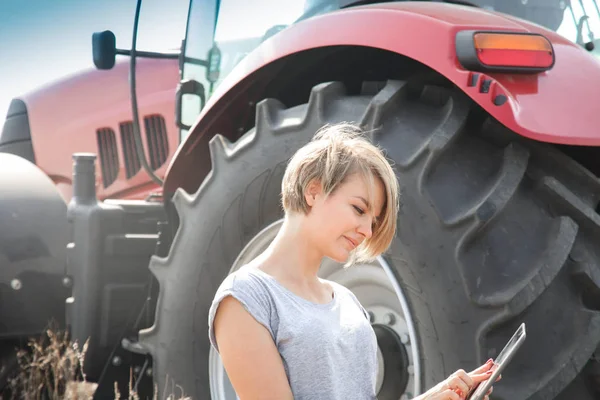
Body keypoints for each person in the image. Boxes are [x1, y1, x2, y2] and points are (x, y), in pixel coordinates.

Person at [208, 123, 498, 400]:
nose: (368, 231)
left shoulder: (346, 300)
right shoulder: (245, 298)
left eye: (373, 221)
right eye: (359, 209)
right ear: (313, 191)